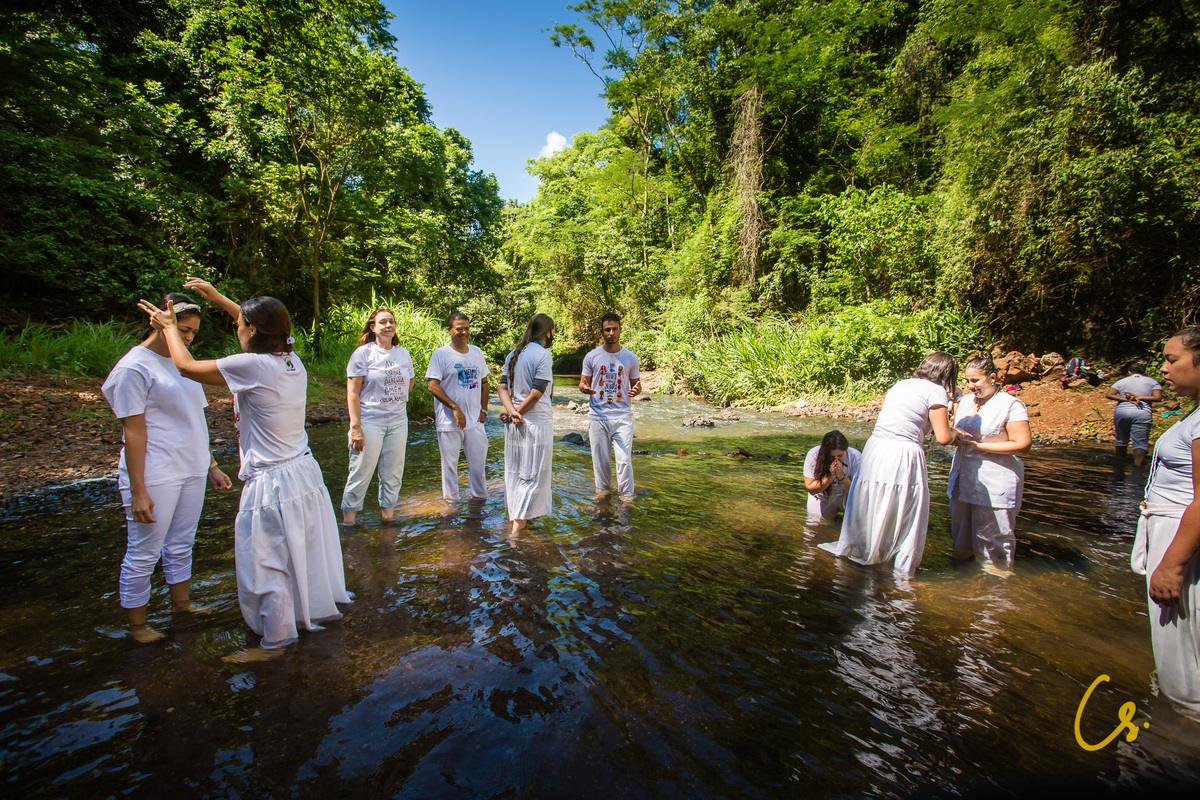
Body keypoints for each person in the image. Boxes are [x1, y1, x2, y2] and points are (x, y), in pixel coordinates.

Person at [140, 278, 350, 660]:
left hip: (273, 481)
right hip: (304, 473)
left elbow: (185, 366)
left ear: (252, 330)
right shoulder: (291, 359)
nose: (236, 327)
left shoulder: (252, 366)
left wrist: (170, 327)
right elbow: (264, 324)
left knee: (265, 562)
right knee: (300, 554)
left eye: (240, 325)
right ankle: (307, 619)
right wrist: (218, 298)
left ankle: (275, 643)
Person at [102, 294, 233, 643]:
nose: (188, 337)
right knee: (143, 552)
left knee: (181, 544)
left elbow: (194, 420)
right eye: (182, 329)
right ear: (159, 322)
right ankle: (138, 628)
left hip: (192, 467)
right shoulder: (133, 367)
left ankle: (182, 607)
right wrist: (138, 490)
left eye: (192, 332)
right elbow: (133, 431)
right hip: (156, 471)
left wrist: (211, 465)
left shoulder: (182, 364)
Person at [818, 352, 958, 576]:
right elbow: (943, 437)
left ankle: (865, 548)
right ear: (947, 374)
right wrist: (956, 432)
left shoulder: (901, 384)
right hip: (902, 451)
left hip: (876, 447)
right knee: (902, 503)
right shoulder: (936, 391)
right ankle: (896, 559)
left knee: (873, 497)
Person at [1131, 326, 1200, 717]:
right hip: (1174, 532)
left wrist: (1172, 565)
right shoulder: (1194, 415)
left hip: (1181, 538)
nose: (1163, 369)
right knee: (1177, 645)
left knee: (1181, 651)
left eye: (1172, 360)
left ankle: (1181, 731)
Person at [947, 352, 1032, 569]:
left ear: (992, 378)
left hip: (994, 483)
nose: (969, 386)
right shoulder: (965, 401)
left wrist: (979, 446)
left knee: (994, 544)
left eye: (975, 380)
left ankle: (996, 584)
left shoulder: (1011, 404)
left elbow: (1023, 445)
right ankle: (961, 583)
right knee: (961, 543)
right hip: (961, 479)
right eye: (967, 380)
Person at [341, 307, 415, 524]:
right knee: (360, 472)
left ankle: (388, 521)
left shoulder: (403, 353)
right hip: (370, 422)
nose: (388, 325)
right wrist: (356, 427)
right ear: (373, 327)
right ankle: (349, 524)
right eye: (383, 322)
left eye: (391, 321)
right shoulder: (363, 353)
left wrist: (394, 399)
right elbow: (352, 393)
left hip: (398, 422)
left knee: (393, 474)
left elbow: (409, 382)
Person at [498, 314, 555, 535]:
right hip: (535, 425)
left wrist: (511, 411)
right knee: (532, 477)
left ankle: (517, 523)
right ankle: (516, 534)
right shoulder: (543, 355)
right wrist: (517, 412)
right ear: (548, 332)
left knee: (515, 475)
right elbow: (537, 393)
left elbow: (502, 387)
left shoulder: (514, 353)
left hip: (514, 426)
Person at [426, 312, 490, 504]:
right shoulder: (441, 354)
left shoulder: (476, 352)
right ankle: (451, 506)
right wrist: (454, 407)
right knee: (450, 467)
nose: (464, 332)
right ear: (449, 330)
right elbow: (432, 385)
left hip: (475, 420)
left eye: (467, 328)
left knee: (478, 465)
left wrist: (484, 409)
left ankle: (478, 502)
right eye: (459, 328)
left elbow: (484, 382)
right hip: (449, 421)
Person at [579, 313, 642, 497]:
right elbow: (582, 383)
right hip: (598, 417)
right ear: (602, 332)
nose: (611, 333)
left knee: (624, 461)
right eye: (607, 330)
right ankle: (603, 497)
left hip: (622, 417)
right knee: (601, 463)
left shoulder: (631, 357)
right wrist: (584, 388)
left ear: (620, 330)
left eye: (614, 329)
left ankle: (626, 498)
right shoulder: (591, 357)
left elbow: (636, 385)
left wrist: (637, 390)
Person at [1106, 363, 1163, 467]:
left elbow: (1109, 394)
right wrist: (1140, 397)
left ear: (1130, 372)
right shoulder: (1152, 382)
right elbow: (1158, 397)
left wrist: (1125, 399)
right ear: (1144, 372)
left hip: (1122, 412)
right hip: (1142, 412)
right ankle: (1138, 466)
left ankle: (1119, 466)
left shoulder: (1122, 381)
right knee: (1140, 443)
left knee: (1121, 440)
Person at [803, 430, 862, 521]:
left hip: (846, 496)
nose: (836, 460)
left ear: (846, 451)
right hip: (822, 497)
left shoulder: (856, 457)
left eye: (840, 456)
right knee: (818, 525)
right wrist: (831, 475)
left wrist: (841, 475)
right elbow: (811, 488)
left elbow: (857, 492)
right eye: (831, 457)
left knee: (854, 524)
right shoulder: (814, 455)